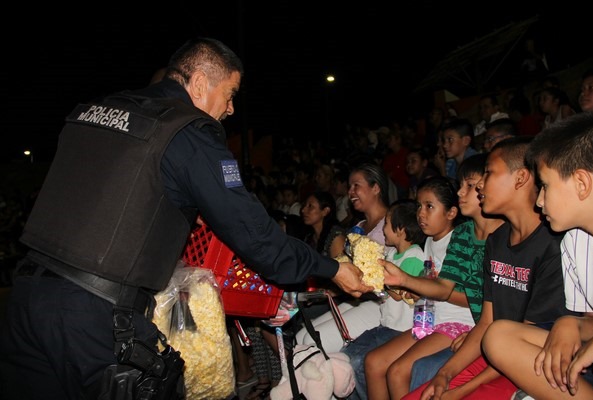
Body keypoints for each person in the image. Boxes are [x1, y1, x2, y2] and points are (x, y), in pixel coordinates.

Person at [0, 37, 372, 400]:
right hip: (93, 315)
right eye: (229, 94)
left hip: (27, 297)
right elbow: (257, 237)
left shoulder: (101, 111)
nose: (230, 109)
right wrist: (331, 268)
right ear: (199, 83)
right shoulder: (187, 130)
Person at [404, 137, 577, 400]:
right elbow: (486, 322)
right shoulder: (496, 242)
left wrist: (462, 389)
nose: (481, 185)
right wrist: (445, 375)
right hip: (497, 354)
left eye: (489, 173)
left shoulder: (553, 245)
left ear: (520, 178)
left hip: (535, 366)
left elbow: (519, 347)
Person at [482, 113, 593, 399]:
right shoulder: (574, 242)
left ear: (581, 183)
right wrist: (571, 323)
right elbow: (592, 323)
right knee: (498, 336)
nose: (539, 200)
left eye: (545, 186)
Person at [400, 153, 506, 393]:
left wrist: (477, 334)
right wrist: (404, 279)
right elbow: (444, 287)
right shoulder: (462, 234)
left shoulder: (508, 236)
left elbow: (505, 313)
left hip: (492, 335)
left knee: (422, 369)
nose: (460, 192)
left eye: (471, 186)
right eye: (461, 185)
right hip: (480, 331)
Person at [363, 176, 469, 400]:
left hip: (456, 322)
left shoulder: (459, 243)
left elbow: (473, 299)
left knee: (397, 372)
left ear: (451, 212)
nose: (421, 213)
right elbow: (427, 286)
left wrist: (424, 287)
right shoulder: (429, 242)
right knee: (373, 362)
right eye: (419, 206)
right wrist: (417, 291)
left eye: (429, 206)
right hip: (429, 320)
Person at [296, 163, 393, 353]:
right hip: (359, 299)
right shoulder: (359, 226)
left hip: (383, 303)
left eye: (356, 185)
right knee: (302, 337)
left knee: (312, 342)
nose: (350, 192)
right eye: (349, 187)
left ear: (375, 188)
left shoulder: (391, 223)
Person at [342, 199, 427, 400]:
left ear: (401, 230)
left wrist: (375, 272)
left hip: (402, 330)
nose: (383, 230)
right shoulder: (392, 253)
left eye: (387, 224)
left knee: (358, 362)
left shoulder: (414, 256)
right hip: (387, 324)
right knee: (346, 355)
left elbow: (399, 294)